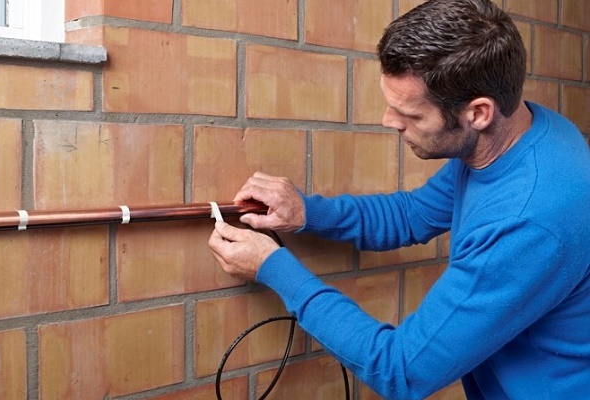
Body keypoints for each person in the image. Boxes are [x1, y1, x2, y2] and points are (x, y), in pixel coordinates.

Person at [208, 0, 590, 398]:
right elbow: (415, 213)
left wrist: (273, 266)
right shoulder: (526, 132)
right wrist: (308, 212)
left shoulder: (529, 220)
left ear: (479, 113)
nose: (389, 121)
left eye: (411, 114)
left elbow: (402, 371)